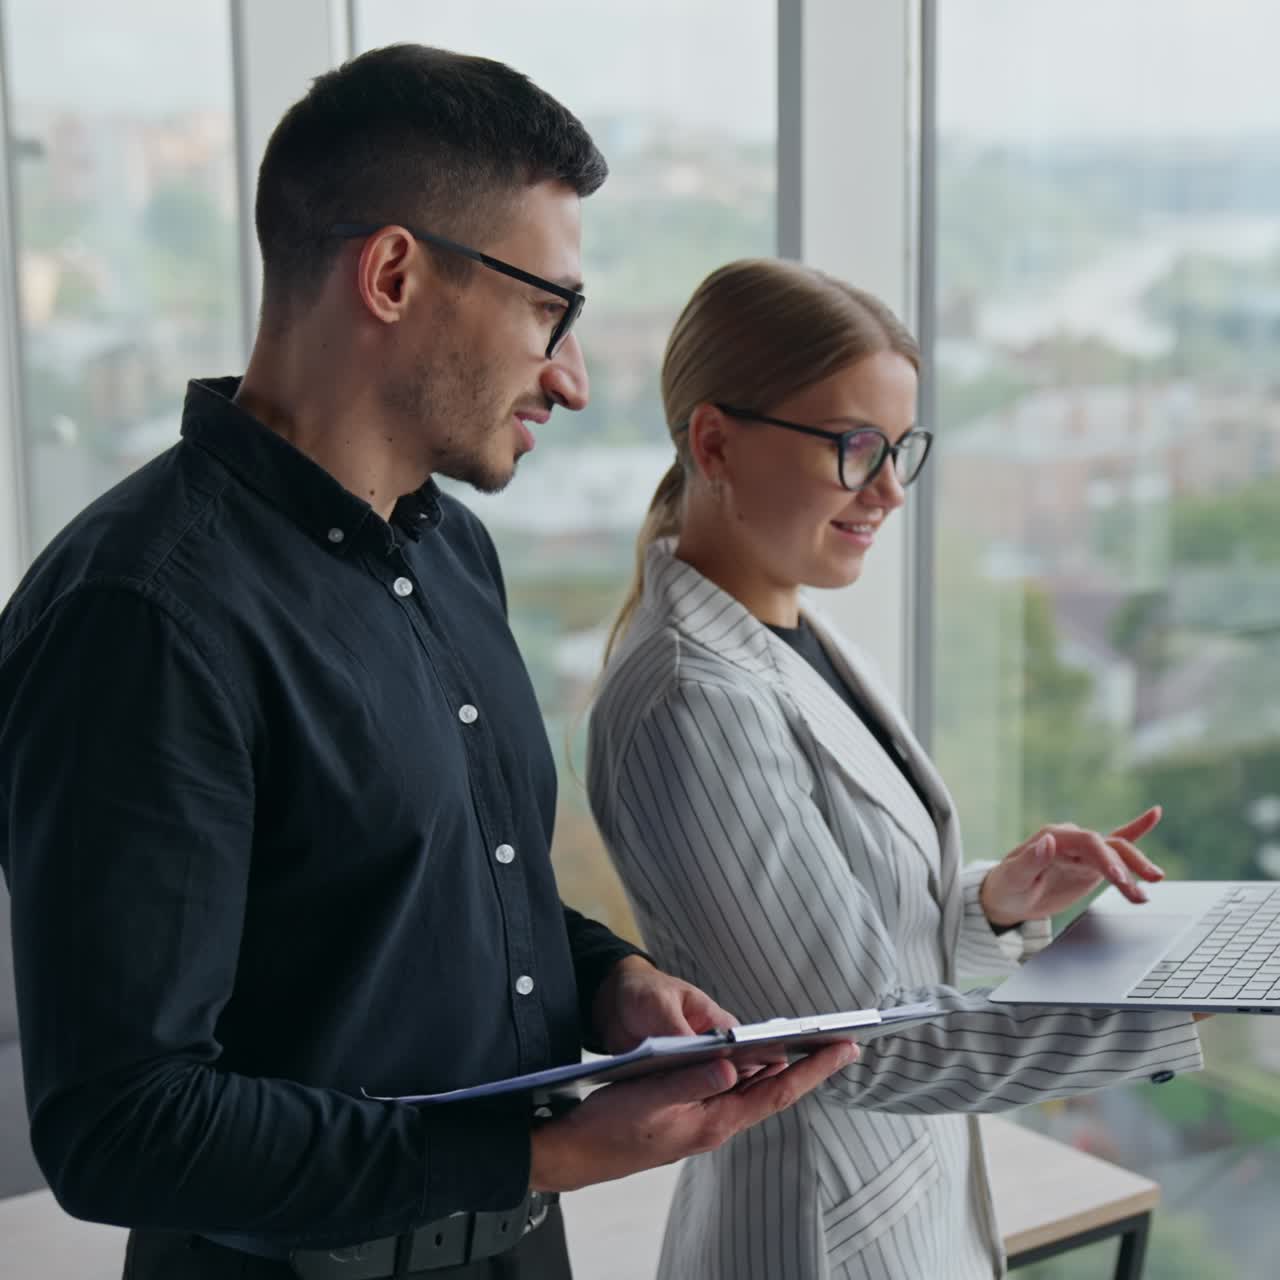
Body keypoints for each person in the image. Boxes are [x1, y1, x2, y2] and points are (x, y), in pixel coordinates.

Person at [0, 51, 856, 1280]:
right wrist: (536, 1152)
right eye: (546, 310)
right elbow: (119, 1123)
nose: (568, 375)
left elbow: (436, 885)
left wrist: (610, 979)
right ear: (394, 272)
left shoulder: (450, 550)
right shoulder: (140, 615)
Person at [586, 257, 1206, 1280]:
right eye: (851, 447)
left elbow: (835, 935)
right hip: (816, 1238)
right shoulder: (691, 702)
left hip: (902, 1214)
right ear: (713, 441)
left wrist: (990, 905)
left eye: (899, 448)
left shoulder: (794, 633)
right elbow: (859, 1039)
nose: (886, 490)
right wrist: (1160, 1007)